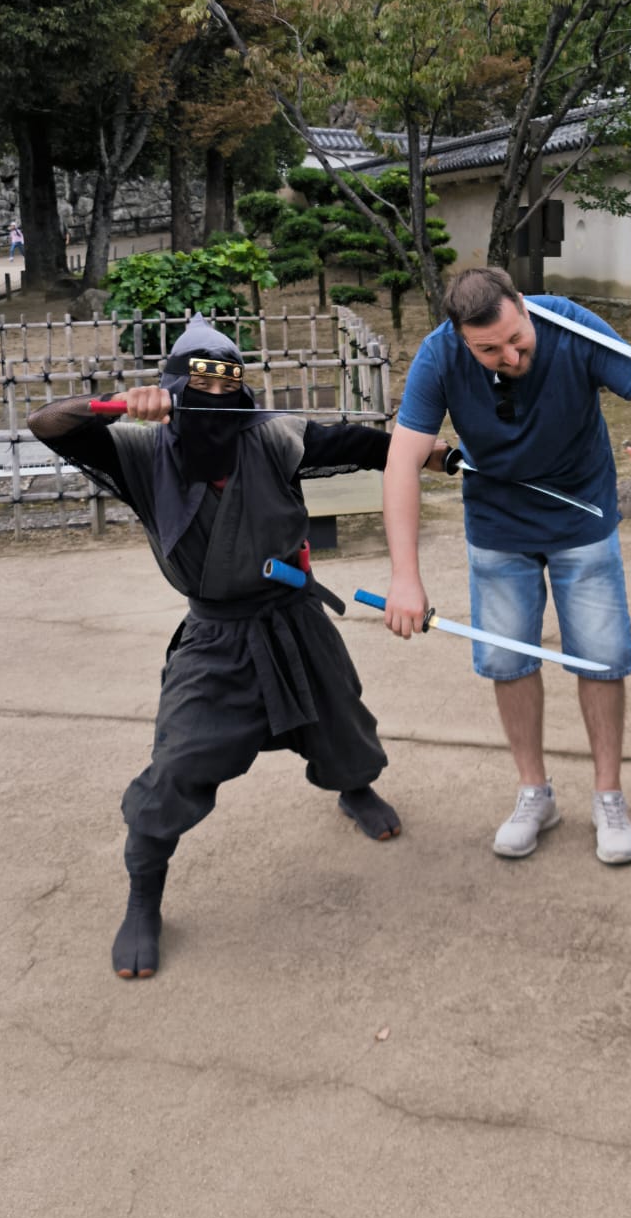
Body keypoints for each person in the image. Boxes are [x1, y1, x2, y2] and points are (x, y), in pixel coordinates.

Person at [28, 314, 455, 980]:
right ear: (173, 394)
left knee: (341, 720)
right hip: (215, 635)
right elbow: (47, 424)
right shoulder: (141, 452)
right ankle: (144, 898)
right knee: (177, 764)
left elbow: (365, 444)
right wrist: (114, 404)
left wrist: (434, 455)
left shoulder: (273, 435)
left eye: (229, 392)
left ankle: (355, 789)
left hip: (294, 617)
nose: (217, 406)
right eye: (200, 392)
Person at [381, 267, 631, 866]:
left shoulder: (570, 324)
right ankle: (534, 792)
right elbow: (402, 463)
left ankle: (609, 795)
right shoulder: (439, 355)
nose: (510, 357)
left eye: (516, 339)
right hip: (497, 527)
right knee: (507, 660)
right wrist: (405, 576)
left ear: (523, 305)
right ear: (461, 337)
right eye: (490, 351)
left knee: (600, 657)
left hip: (582, 519)